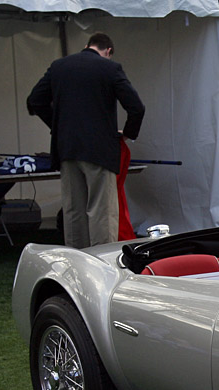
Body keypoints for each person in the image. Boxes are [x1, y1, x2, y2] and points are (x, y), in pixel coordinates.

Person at [27, 32, 144, 248]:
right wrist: (127, 133)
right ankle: (102, 262)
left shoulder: (59, 66)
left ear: (87, 45)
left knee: (74, 211)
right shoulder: (110, 68)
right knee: (101, 211)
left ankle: (76, 263)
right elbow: (136, 107)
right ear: (108, 51)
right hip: (100, 150)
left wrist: (58, 125)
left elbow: (35, 101)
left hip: (68, 149)